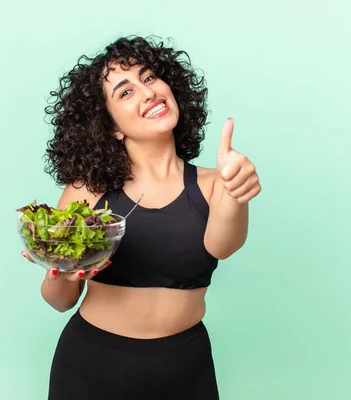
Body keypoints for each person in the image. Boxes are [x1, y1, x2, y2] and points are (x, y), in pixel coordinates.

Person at [21, 35, 261, 400]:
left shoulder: (214, 183)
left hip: (185, 367)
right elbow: (59, 300)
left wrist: (235, 190)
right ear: (111, 126)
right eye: (125, 92)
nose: (147, 92)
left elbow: (223, 246)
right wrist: (63, 272)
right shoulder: (88, 191)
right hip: (91, 366)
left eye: (149, 78)